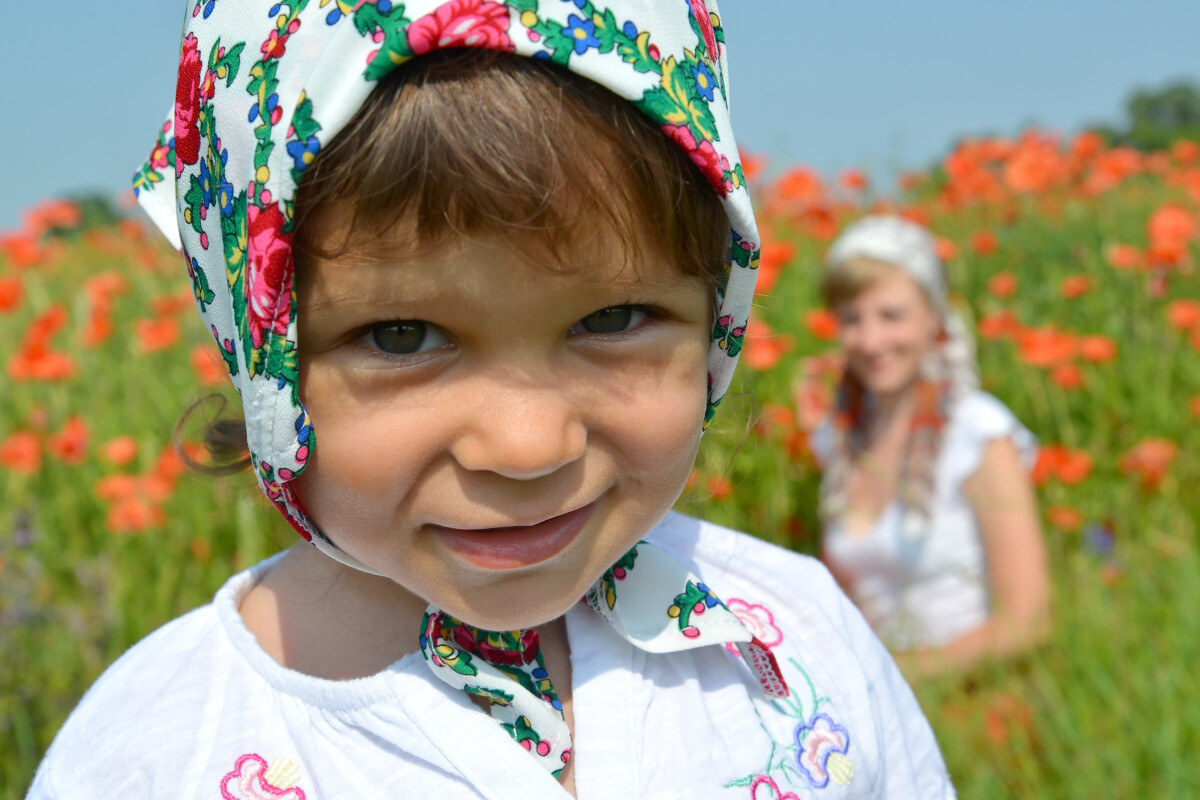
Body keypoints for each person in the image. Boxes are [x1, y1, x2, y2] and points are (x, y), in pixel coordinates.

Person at [28, 4, 954, 797]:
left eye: (616, 316)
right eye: (401, 337)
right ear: (264, 350)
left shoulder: (798, 643)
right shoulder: (157, 753)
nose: (526, 444)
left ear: (717, 312)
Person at [806, 215, 1050, 681]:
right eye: (852, 319)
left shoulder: (978, 432)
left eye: (891, 315)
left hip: (975, 695)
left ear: (933, 318)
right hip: (878, 698)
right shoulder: (838, 439)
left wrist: (897, 677)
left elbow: (1027, 622)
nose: (871, 340)